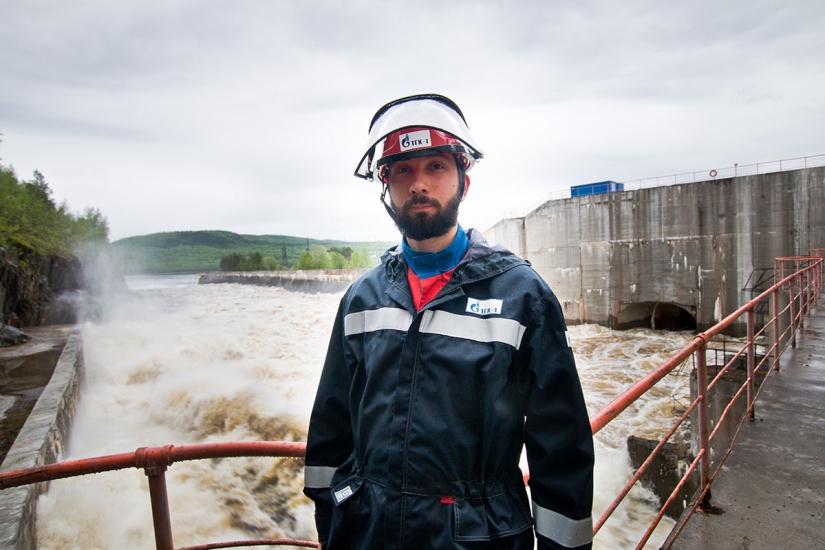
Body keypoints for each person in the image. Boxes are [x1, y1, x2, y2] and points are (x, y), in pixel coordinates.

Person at [303, 94, 594, 550]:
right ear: (386, 184)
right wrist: (331, 521)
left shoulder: (523, 297)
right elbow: (331, 426)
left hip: (478, 537)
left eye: (435, 166)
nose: (419, 183)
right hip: (365, 532)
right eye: (402, 169)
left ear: (464, 181)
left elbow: (560, 447)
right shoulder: (361, 298)